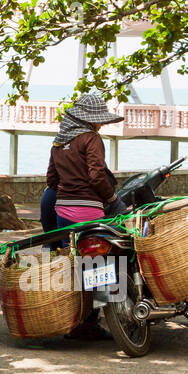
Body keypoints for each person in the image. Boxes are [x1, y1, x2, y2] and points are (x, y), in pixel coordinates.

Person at [44, 92, 123, 340]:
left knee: (76, 266)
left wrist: (69, 194)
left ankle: (77, 321)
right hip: (89, 211)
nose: (101, 124)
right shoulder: (91, 139)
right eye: (99, 120)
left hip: (63, 213)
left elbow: (51, 181)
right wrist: (112, 200)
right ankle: (100, 319)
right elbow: (97, 176)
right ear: (92, 120)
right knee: (104, 264)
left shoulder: (58, 143)